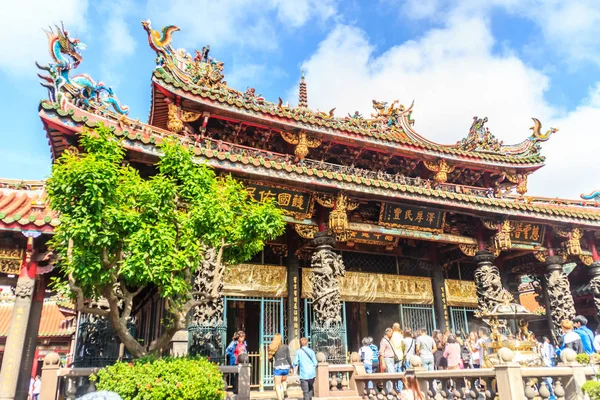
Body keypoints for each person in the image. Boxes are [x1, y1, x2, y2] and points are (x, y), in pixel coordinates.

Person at [269, 333, 293, 400]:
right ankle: (285, 391)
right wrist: (291, 367)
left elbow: (270, 358)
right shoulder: (285, 346)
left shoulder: (273, 347)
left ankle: (280, 398)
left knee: (277, 384)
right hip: (285, 366)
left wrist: (271, 360)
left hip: (278, 367)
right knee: (284, 380)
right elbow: (288, 357)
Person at [380, 328, 399, 393]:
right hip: (387, 359)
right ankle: (389, 390)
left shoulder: (388, 340)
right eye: (391, 332)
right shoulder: (384, 341)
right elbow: (381, 352)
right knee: (390, 375)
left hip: (391, 359)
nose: (392, 334)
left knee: (392, 374)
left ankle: (392, 389)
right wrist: (383, 362)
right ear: (387, 333)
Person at [391, 323, 405, 391]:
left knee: (393, 372)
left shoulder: (391, 336)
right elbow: (403, 346)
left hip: (393, 356)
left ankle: (394, 388)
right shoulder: (401, 336)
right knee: (400, 372)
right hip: (400, 356)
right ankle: (400, 388)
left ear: (393, 328)